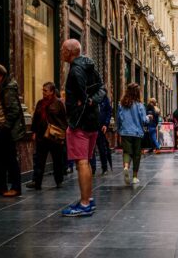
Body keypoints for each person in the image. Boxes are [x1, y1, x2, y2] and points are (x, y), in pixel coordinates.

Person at [61, 39, 105, 217]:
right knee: (85, 160)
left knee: (82, 162)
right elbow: (102, 89)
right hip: (92, 121)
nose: (61, 52)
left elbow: (82, 97)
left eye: (63, 49)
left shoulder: (75, 70)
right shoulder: (90, 66)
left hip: (80, 122)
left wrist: (83, 104)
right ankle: (88, 199)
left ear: (71, 52)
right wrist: (92, 101)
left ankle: (85, 203)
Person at [27, 82, 67, 190]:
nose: (43, 92)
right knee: (39, 160)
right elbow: (36, 118)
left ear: (52, 91)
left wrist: (63, 134)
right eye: (43, 90)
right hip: (42, 136)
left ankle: (59, 180)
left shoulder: (58, 103)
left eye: (45, 90)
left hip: (54, 137)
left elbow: (64, 120)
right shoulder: (40, 103)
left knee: (57, 160)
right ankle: (37, 182)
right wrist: (34, 132)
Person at [0, 64, 26, 197]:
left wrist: (5, 128)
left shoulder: (8, 87)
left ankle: (16, 187)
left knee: (10, 159)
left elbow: (13, 111)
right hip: (0, 128)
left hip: (6, 130)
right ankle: (1, 186)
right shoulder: (2, 86)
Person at [117, 83, 148, 184]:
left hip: (125, 132)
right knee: (136, 155)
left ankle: (126, 167)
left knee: (127, 152)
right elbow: (144, 120)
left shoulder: (121, 104)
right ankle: (135, 177)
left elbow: (119, 119)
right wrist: (149, 118)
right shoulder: (140, 105)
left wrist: (119, 129)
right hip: (137, 133)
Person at [90, 93, 113, 175]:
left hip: (101, 127)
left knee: (102, 148)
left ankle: (104, 167)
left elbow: (109, 111)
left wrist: (106, 124)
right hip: (91, 126)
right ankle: (92, 168)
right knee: (91, 149)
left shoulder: (104, 97)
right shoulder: (89, 96)